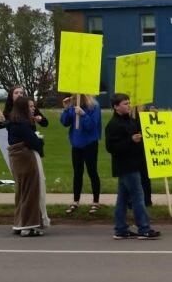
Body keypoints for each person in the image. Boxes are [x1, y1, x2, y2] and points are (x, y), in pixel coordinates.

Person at [105, 93, 160, 239]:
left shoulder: (131, 121)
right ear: (116, 107)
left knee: (122, 199)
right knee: (138, 197)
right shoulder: (113, 125)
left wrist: (151, 115)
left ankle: (121, 228)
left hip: (134, 164)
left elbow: (144, 126)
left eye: (129, 103)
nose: (128, 106)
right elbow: (111, 147)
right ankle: (144, 228)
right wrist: (131, 140)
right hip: (126, 166)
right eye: (124, 104)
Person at [7, 95, 47, 236]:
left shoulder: (13, 122)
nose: (33, 109)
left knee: (22, 191)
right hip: (25, 158)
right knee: (31, 191)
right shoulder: (23, 124)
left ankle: (19, 223)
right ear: (24, 108)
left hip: (16, 159)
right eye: (30, 106)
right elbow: (33, 142)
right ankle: (29, 225)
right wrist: (40, 142)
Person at [59, 93, 102, 214]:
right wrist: (66, 109)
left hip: (90, 143)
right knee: (77, 172)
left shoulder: (94, 106)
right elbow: (65, 122)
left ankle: (95, 201)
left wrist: (83, 115)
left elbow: (92, 126)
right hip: (76, 143)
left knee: (92, 171)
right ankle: (75, 200)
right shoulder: (73, 105)